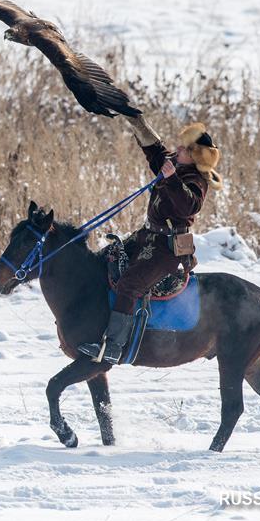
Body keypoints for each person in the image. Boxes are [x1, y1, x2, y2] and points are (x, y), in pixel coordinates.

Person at [78, 117, 223, 364]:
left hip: (168, 249)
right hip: (146, 237)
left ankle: (113, 346)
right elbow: (155, 150)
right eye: (181, 146)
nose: (178, 149)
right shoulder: (173, 164)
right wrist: (137, 122)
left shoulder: (197, 181)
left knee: (130, 285)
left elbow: (189, 204)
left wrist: (171, 178)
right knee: (105, 261)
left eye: (185, 149)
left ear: (196, 157)